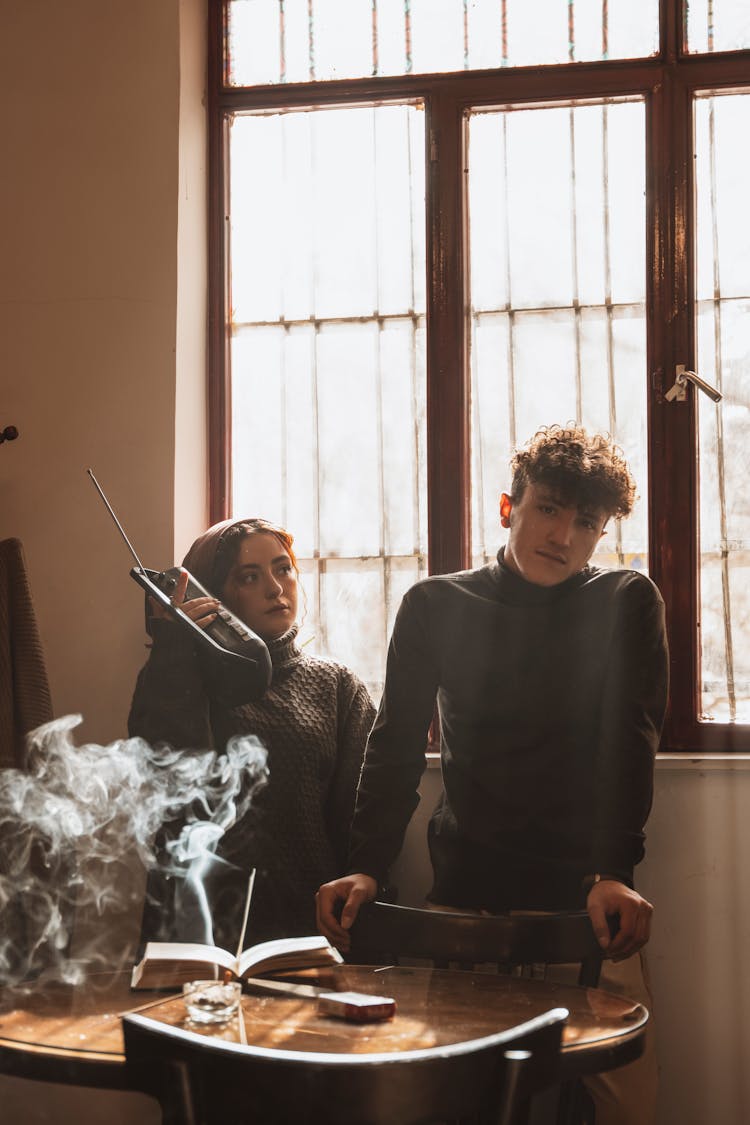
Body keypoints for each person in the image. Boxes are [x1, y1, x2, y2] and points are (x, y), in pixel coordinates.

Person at [316, 424, 669, 1125]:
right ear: (510, 507)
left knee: (632, 1102)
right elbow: (392, 749)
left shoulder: (626, 599)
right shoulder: (435, 604)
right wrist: (366, 866)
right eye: (549, 508)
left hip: (588, 902)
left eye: (587, 521)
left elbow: (630, 744)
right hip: (466, 899)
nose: (564, 535)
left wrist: (612, 867)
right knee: (440, 1100)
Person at [129, 517, 375, 948]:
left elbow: (360, 818)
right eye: (249, 576)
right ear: (214, 595)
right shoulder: (182, 679)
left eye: (283, 569)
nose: (276, 588)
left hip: (306, 924)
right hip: (197, 923)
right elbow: (168, 782)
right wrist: (173, 649)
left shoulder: (337, 686)